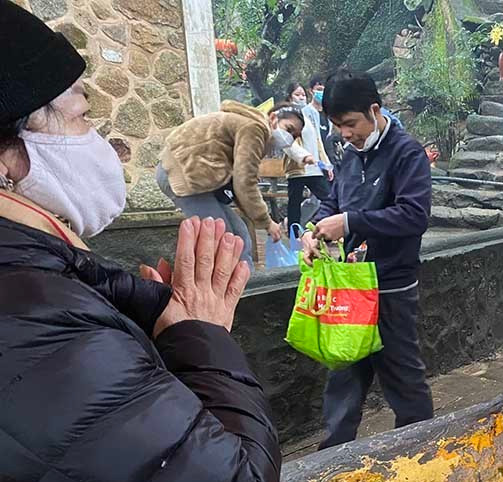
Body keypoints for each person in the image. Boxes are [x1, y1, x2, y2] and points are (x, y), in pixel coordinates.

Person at [0, 2, 282, 482]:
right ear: (7, 156)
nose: (104, 142)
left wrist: (143, 314)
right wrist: (201, 337)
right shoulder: (32, 323)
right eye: (78, 114)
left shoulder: (52, 285)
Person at [302, 70, 433, 448]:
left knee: (403, 378)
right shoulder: (349, 154)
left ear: (374, 110)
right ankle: (331, 459)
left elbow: (414, 215)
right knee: (343, 376)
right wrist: (315, 229)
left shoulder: (406, 153)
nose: (344, 133)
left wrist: (349, 222)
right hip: (348, 286)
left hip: (390, 284)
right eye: (337, 126)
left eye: (350, 123)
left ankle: (417, 452)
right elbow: (333, 200)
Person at [156, 97, 305, 264]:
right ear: (272, 118)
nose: (289, 137)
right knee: (225, 242)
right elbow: (244, 182)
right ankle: (238, 287)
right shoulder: (255, 128)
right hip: (184, 175)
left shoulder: (253, 127)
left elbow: (239, 183)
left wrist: (264, 221)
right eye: (289, 129)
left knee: (239, 238)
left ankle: (243, 284)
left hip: (194, 177)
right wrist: (266, 221)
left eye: (295, 135)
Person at [280, 86, 333, 232]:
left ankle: (332, 231)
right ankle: (294, 238)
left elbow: (318, 142)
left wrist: (326, 164)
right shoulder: (285, 117)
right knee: (294, 204)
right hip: (297, 169)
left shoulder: (308, 117)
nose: (302, 97)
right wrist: (304, 157)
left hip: (315, 169)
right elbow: (287, 143)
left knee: (329, 198)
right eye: (297, 94)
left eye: (303, 94)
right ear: (290, 97)